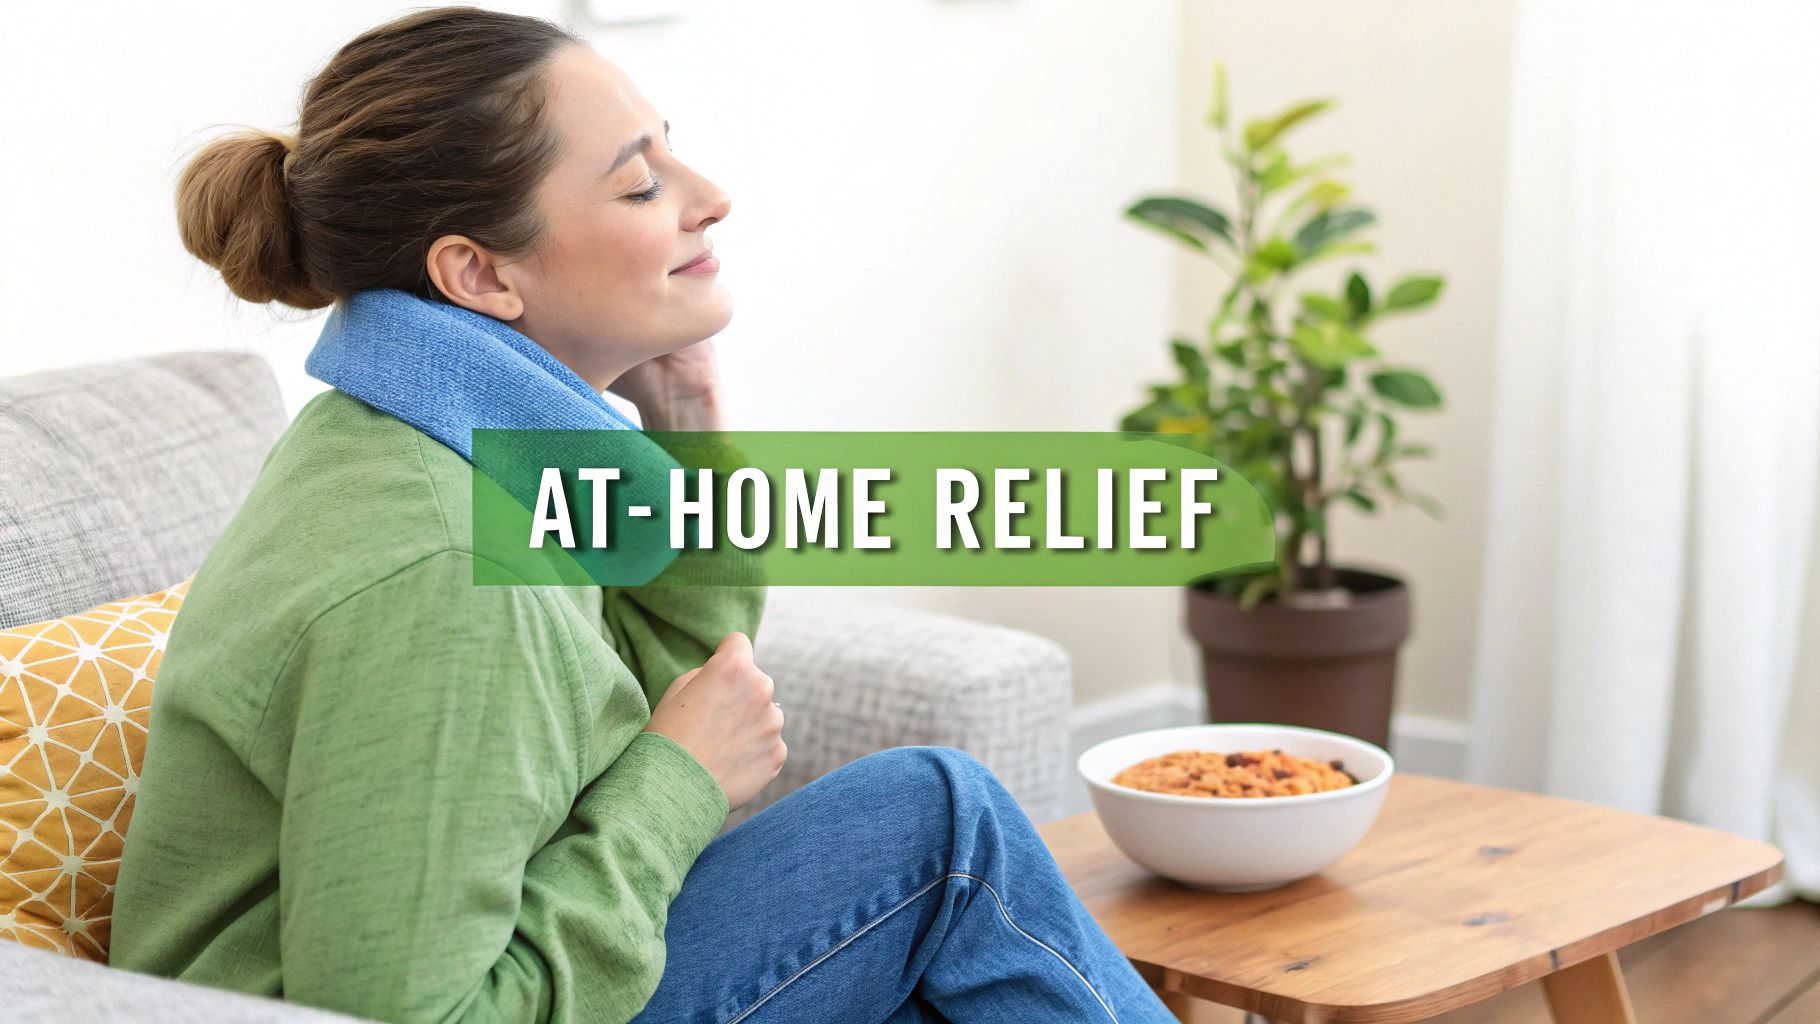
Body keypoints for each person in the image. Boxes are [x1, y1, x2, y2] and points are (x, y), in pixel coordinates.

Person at [109, 8, 1179, 1023]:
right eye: (640, 184)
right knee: (938, 822)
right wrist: (681, 780)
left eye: (673, 151)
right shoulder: (441, 570)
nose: (710, 197)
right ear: (478, 273)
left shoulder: (427, 440)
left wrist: (687, 429)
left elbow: (652, 684)